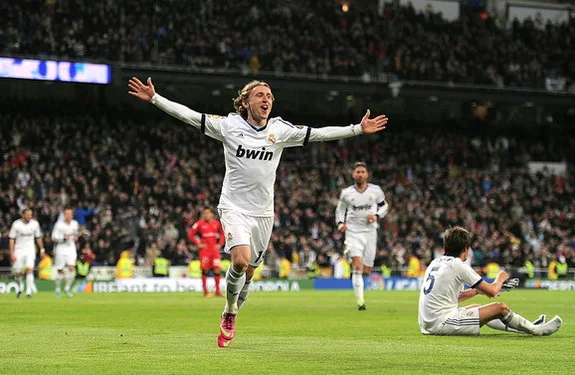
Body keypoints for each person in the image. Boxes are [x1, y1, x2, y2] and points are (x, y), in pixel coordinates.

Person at [128, 77, 388, 348]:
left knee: (250, 272)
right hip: (233, 207)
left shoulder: (280, 130)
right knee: (240, 261)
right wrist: (156, 98)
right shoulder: (229, 125)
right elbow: (191, 116)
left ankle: (236, 307)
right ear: (245, 102)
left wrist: (357, 129)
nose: (266, 100)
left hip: (263, 213)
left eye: (270, 96)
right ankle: (229, 311)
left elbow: (319, 133)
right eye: (260, 95)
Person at [418, 226, 562, 336]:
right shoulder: (458, 265)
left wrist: (476, 291)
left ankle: (526, 327)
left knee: (477, 307)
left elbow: (451, 297)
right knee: (499, 308)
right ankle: (536, 330)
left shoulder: (435, 263)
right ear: (466, 249)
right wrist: (500, 277)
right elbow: (492, 291)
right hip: (441, 323)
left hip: (427, 323)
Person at [335, 162, 389, 310]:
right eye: (357, 171)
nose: (360, 174)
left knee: (367, 270)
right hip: (352, 232)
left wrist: (377, 215)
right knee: (357, 266)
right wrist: (340, 223)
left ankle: (355, 263)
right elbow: (340, 210)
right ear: (353, 174)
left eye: (362, 171)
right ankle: (360, 302)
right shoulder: (346, 193)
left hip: (370, 231)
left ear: (367, 174)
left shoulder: (375, 191)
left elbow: (384, 206)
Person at [187, 208, 226, 297]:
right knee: (205, 270)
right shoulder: (199, 223)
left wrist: (219, 244)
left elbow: (223, 234)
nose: (206, 215)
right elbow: (190, 234)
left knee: (217, 269)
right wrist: (198, 244)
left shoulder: (216, 223)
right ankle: (206, 292)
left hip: (214, 251)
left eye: (208, 213)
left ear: (212, 214)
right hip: (205, 251)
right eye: (204, 213)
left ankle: (217, 291)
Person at [9, 208, 45, 299]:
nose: (30, 216)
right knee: (18, 272)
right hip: (19, 250)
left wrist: (42, 249)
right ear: (23, 215)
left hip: (30, 250)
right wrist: (12, 253)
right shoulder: (16, 224)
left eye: (31, 215)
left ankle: (28, 292)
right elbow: (12, 239)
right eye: (28, 215)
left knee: (30, 269)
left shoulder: (35, 224)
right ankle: (20, 288)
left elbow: (38, 237)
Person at [52, 207, 79, 297]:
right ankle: (57, 289)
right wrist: (63, 238)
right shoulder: (58, 225)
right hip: (61, 248)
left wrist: (76, 237)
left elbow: (76, 234)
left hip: (71, 247)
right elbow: (53, 237)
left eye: (70, 214)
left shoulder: (75, 224)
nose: (69, 215)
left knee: (72, 268)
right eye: (67, 214)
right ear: (64, 215)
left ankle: (67, 288)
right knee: (60, 270)